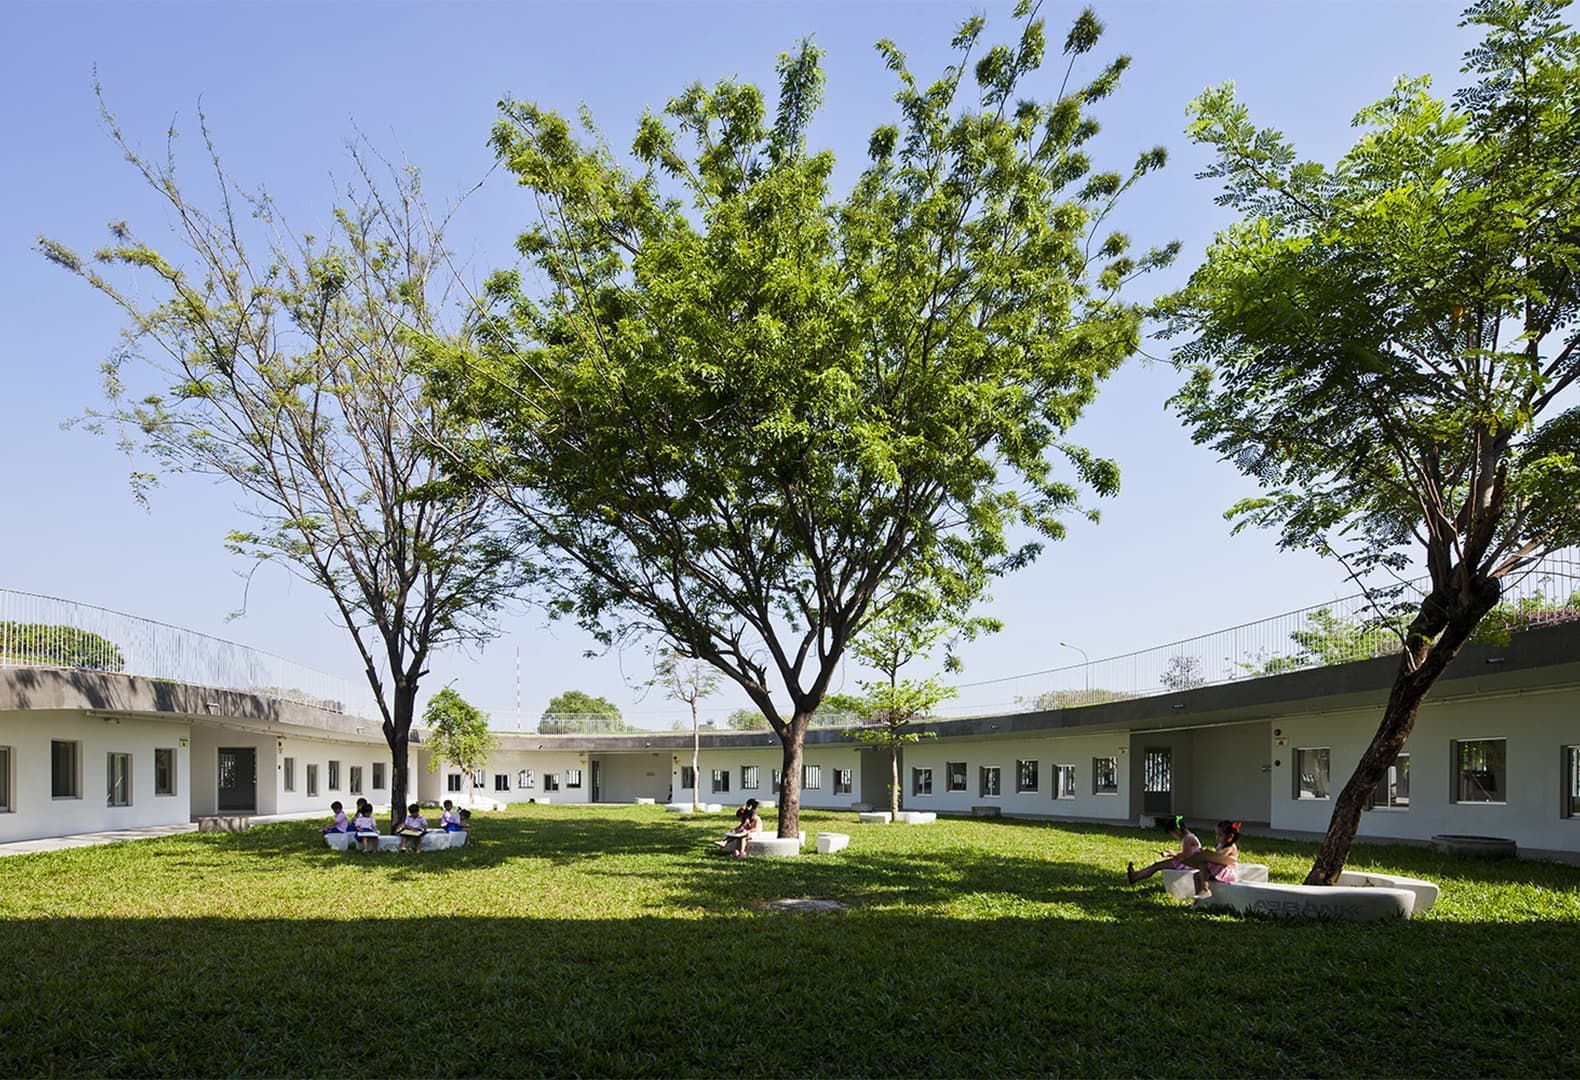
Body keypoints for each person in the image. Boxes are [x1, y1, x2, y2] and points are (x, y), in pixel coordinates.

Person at [1125, 814, 1202, 884]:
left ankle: (1135, 877)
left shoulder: (1188, 838)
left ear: (1177, 830)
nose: (1173, 835)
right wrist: (1171, 853)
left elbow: (1186, 856)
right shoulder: (1188, 837)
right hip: (1187, 863)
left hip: (1188, 865)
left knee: (1157, 866)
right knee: (1157, 865)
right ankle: (1136, 875)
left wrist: (1171, 853)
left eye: (1172, 833)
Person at [1180, 819, 1242, 897]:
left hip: (1226, 872)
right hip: (1218, 870)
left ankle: (1205, 889)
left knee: (1203, 864)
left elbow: (1219, 857)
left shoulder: (1231, 847)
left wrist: (1207, 856)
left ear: (1230, 836)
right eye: (1216, 834)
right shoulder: (1220, 845)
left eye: (1220, 835)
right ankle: (1198, 897)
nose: (1217, 837)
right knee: (1196, 876)